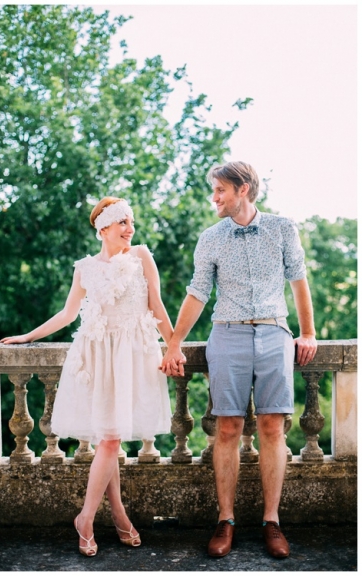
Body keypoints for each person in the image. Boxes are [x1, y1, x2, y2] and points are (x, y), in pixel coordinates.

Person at [160, 161, 317, 559]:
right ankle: (225, 520)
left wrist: (308, 332)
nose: (214, 197)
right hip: (227, 334)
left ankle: (272, 521)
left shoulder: (283, 228)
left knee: (272, 427)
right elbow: (197, 293)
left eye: (220, 190)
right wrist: (175, 343)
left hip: (274, 333)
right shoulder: (210, 238)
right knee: (227, 428)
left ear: (242, 189)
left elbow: (298, 280)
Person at [1, 197, 173, 557]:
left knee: (111, 439)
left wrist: (174, 346)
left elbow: (156, 304)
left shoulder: (141, 256)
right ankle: (90, 519)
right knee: (110, 439)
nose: (130, 228)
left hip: (132, 354)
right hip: (97, 357)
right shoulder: (85, 268)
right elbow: (67, 314)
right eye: (123, 222)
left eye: (131, 222)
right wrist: (27, 336)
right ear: (103, 228)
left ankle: (109, 516)